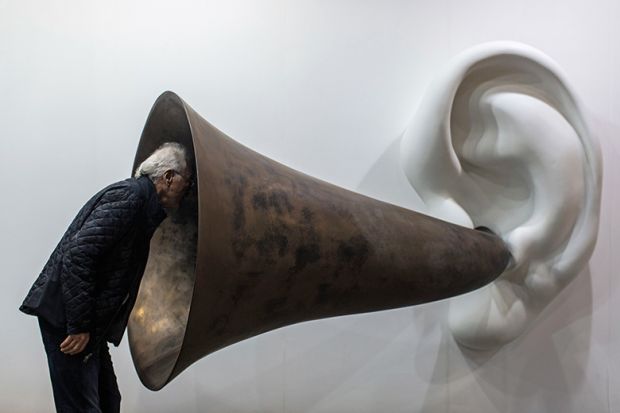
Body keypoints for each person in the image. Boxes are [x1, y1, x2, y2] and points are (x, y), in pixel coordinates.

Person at [19, 142, 193, 413]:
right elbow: (78, 255)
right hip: (68, 321)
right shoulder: (131, 198)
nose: (189, 189)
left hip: (85, 322)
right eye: (188, 181)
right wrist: (78, 326)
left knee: (109, 402)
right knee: (82, 408)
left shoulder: (142, 205)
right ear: (169, 177)